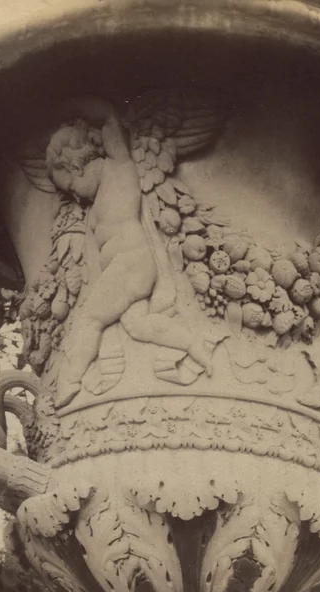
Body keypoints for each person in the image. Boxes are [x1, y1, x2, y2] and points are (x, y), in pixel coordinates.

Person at [46, 101, 215, 407]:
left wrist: (81, 103)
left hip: (130, 264)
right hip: (132, 270)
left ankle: (69, 383)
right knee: (138, 325)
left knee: (91, 319)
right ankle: (195, 345)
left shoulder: (118, 169)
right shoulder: (96, 204)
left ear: (78, 164)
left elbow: (110, 120)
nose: (74, 195)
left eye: (71, 186)